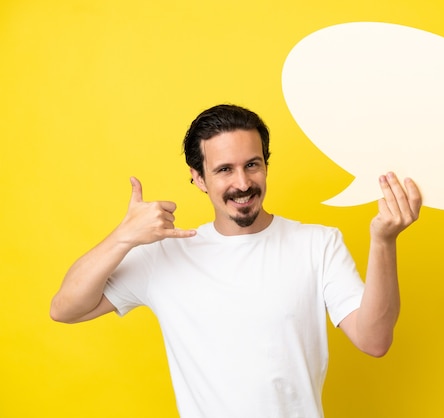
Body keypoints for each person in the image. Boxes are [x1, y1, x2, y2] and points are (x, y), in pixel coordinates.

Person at [50, 104, 422, 417]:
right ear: (198, 178)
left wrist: (383, 240)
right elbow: (65, 308)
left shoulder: (317, 244)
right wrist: (123, 237)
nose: (243, 183)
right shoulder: (165, 255)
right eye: (224, 169)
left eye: (253, 165)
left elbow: (374, 340)